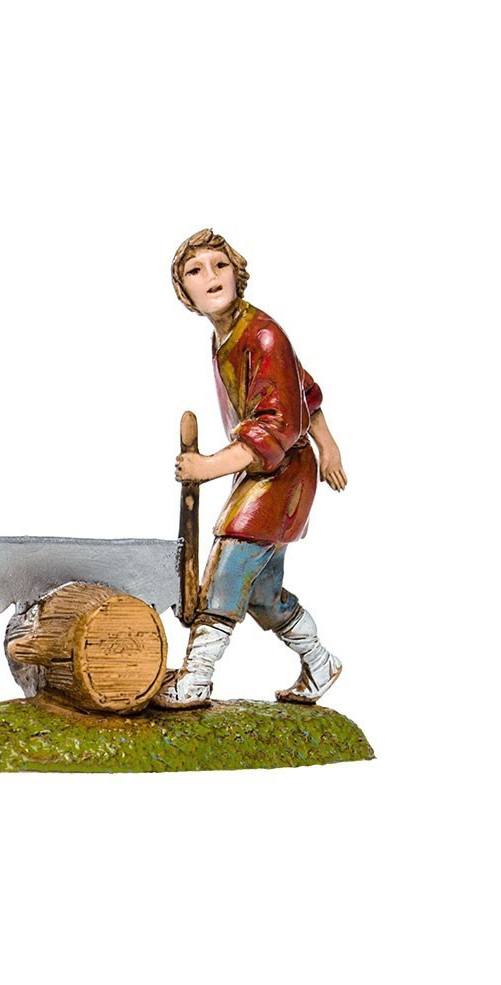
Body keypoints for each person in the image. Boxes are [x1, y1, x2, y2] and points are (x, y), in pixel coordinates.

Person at [152, 229, 347, 710]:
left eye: (219, 265)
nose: (211, 277)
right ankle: (320, 662)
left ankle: (196, 678)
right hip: (264, 470)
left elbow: (277, 426)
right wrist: (329, 445)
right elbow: (302, 387)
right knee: (262, 593)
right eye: (195, 271)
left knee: (229, 563)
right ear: (184, 292)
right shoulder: (225, 336)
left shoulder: (262, 334)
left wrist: (208, 467)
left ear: (237, 273)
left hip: (279, 474)